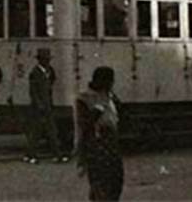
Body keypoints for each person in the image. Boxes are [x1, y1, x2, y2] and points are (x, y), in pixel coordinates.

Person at [76, 66, 124, 201]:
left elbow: (120, 117)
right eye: (110, 82)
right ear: (101, 81)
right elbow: (83, 124)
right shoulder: (84, 98)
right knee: (101, 187)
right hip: (96, 147)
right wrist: (98, 109)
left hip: (112, 147)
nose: (112, 85)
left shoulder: (109, 96)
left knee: (115, 184)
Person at [24, 48, 68, 164]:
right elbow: (33, 91)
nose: (47, 61)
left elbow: (51, 82)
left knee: (51, 131)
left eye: (48, 59)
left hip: (47, 105)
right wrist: (39, 104)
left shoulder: (49, 71)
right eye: (45, 59)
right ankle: (31, 155)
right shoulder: (35, 73)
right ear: (40, 60)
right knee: (37, 132)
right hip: (39, 107)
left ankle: (57, 154)